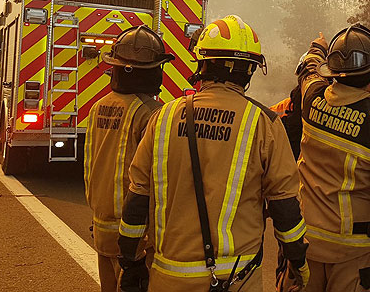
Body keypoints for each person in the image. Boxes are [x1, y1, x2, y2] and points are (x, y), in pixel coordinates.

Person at [117, 15, 309, 292]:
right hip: (237, 278)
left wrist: (131, 263)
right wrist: (298, 264)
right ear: (249, 71)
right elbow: (284, 207)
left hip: (169, 275)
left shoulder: (162, 117)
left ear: (202, 63)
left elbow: (137, 199)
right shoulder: (263, 123)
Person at [292, 25, 370, 292]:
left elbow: (308, 70)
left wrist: (318, 47)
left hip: (306, 239)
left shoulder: (311, 98)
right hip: (354, 249)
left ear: (332, 73)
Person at [84, 25, 174, 292]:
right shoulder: (151, 113)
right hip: (134, 235)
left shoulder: (98, 106)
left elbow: (92, 165)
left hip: (102, 227)